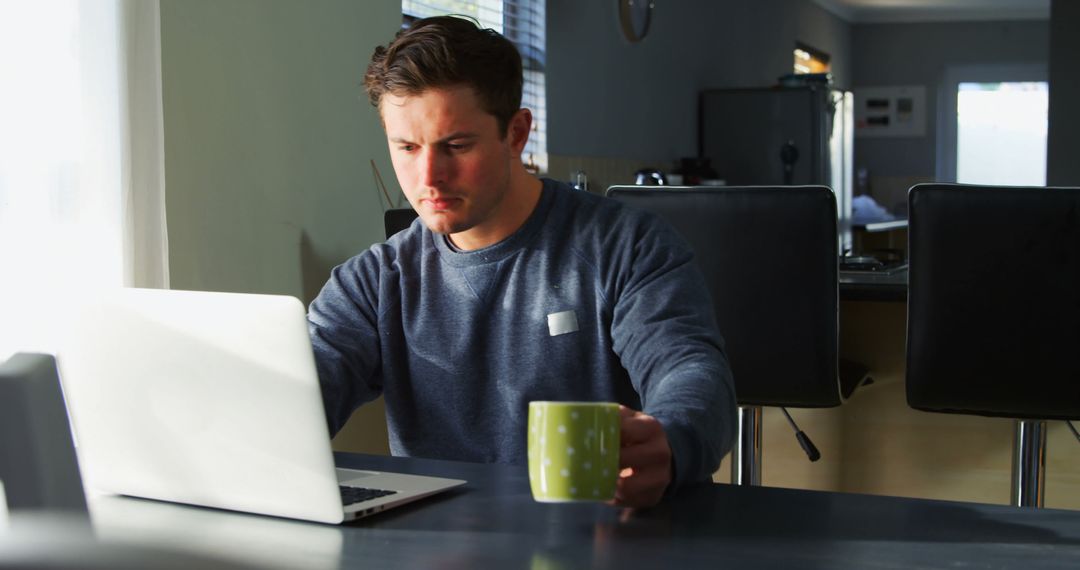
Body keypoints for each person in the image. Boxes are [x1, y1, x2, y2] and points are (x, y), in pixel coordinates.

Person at [307, 15, 735, 508]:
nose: (429, 176)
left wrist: (672, 440)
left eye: (457, 145)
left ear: (516, 133)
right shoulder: (375, 281)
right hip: (429, 547)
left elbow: (690, 369)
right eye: (406, 147)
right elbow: (303, 386)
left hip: (595, 534)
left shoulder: (627, 247)